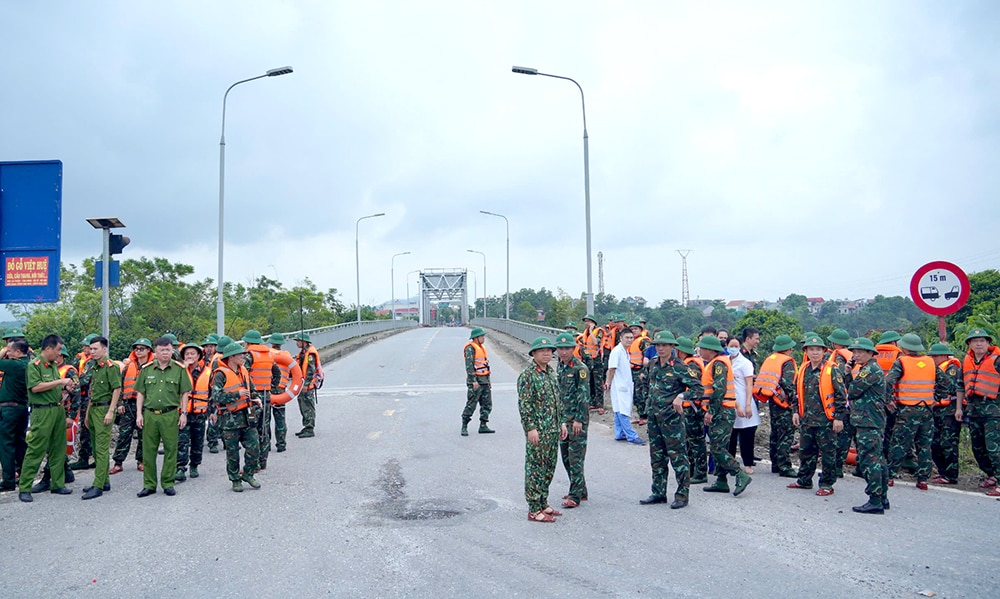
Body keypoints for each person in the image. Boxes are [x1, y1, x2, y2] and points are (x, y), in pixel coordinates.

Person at [640, 330, 702, 509]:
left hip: (672, 419)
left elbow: (699, 389)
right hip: (654, 418)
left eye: (664, 345)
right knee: (657, 457)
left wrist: (682, 395)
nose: (660, 348)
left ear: (672, 347)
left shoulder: (680, 367)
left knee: (678, 457)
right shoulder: (652, 364)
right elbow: (646, 383)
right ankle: (658, 492)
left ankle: (682, 495)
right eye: (658, 345)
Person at [885, 334, 948, 490]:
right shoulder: (930, 362)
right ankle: (923, 480)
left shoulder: (901, 362)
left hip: (907, 409)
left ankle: (890, 476)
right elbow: (946, 383)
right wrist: (936, 399)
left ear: (904, 348)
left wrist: (888, 400)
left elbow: (888, 381)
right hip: (926, 409)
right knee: (924, 445)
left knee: (900, 443)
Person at [18, 335, 77, 502]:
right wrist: (59, 381)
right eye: (58, 350)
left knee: (58, 448)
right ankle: (25, 487)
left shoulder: (52, 366)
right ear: (48, 348)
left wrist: (66, 385)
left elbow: (54, 385)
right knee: (36, 449)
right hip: (42, 412)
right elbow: (35, 387)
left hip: (57, 409)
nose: (59, 354)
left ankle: (57, 484)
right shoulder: (34, 365)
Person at [788, 334, 847, 496]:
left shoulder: (831, 369)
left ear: (823, 352)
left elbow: (841, 395)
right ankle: (804, 480)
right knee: (806, 451)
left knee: (828, 454)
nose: (815, 353)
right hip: (807, 420)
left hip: (826, 421)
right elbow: (796, 394)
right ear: (806, 351)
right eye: (811, 349)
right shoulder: (803, 369)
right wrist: (795, 412)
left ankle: (827, 484)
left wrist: (838, 417)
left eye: (818, 350)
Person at [518, 336, 568, 522]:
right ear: (534, 354)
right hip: (538, 431)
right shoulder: (528, 376)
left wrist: (561, 422)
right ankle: (533, 508)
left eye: (549, 351)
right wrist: (530, 428)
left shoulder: (551, 374)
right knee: (535, 468)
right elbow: (525, 405)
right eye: (542, 351)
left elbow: (557, 402)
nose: (547, 353)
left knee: (548, 467)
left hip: (552, 429)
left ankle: (543, 502)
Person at [134, 337, 192, 497]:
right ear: (155, 352)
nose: (165, 353)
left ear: (172, 351)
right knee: (148, 451)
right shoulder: (146, 370)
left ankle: (167, 483)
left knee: (171, 449)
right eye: (162, 350)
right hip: (150, 414)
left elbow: (185, 393)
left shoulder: (179, 370)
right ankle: (149, 484)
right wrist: (139, 414)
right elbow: (140, 393)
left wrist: (184, 413)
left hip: (170, 414)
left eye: (168, 350)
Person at [698, 335, 752, 496]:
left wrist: (711, 411)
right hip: (722, 410)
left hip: (721, 410)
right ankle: (721, 480)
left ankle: (739, 473)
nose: (699, 350)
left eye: (702, 348)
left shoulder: (719, 363)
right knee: (720, 445)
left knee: (717, 448)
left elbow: (719, 389)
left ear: (710, 350)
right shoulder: (716, 362)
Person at [209, 342, 262, 492]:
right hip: (229, 419)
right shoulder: (220, 374)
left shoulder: (243, 370)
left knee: (254, 447)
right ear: (231, 357)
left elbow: (252, 389)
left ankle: (248, 473)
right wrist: (236, 395)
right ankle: (235, 479)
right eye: (241, 354)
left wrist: (255, 398)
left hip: (247, 416)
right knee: (232, 452)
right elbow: (216, 396)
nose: (244, 356)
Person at [846, 337, 890, 514]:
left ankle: (875, 499)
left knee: (869, 460)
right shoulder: (868, 369)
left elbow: (852, 391)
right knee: (878, 459)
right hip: (870, 420)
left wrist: (847, 374)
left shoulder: (869, 370)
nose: (856, 355)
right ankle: (882, 497)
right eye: (854, 352)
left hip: (868, 421)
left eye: (860, 352)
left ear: (871, 353)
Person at [76, 336, 122, 500]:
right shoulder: (94, 367)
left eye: (96, 349)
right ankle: (104, 480)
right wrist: (87, 413)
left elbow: (117, 389)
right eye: (91, 348)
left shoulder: (111, 367)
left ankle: (98, 485)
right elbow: (92, 392)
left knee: (102, 449)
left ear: (104, 349)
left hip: (104, 409)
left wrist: (111, 411)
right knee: (95, 447)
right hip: (94, 408)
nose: (92, 351)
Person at [957, 328, 1000, 496]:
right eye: (975, 341)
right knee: (978, 447)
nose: (979, 343)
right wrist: (959, 408)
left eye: (982, 340)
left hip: (994, 410)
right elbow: (960, 386)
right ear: (970, 344)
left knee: (994, 447)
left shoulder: (997, 360)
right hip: (974, 410)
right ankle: (991, 474)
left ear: (988, 343)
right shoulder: (966, 361)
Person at [752, 334, 798, 478]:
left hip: (772, 401)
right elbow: (788, 384)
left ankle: (775, 464)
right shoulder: (787, 362)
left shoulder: (770, 359)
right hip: (784, 403)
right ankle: (784, 466)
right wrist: (793, 402)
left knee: (775, 433)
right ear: (788, 348)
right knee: (786, 435)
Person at [554, 332, 589, 509]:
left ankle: (575, 495)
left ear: (573, 349)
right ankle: (580, 489)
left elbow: (583, 396)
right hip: (563, 420)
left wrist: (579, 420)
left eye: (567, 348)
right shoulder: (560, 366)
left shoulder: (579, 368)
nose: (563, 351)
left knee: (576, 458)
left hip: (576, 420)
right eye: (560, 348)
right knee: (566, 457)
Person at [111, 338, 153, 475]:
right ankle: (118, 462)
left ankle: (141, 461)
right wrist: (120, 403)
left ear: (148, 350)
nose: (138, 351)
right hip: (128, 405)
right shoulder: (129, 366)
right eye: (136, 349)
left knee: (144, 435)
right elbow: (120, 385)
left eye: (142, 348)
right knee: (124, 434)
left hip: (146, 405)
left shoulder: (154, 367)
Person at [242, 330, 281, 470]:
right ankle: (263, 461)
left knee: (252, 428)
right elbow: (277, 372)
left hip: (253, 399)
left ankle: (254, 464)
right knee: (264, 428)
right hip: (266, 396)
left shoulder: (249, 356)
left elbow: (243, 374)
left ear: (248, 343)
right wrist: (272, 386)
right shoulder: (269, 355)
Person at [927, 343, 963, 485]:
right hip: (937, 411)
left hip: (949, 411)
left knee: (948, 443)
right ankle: (943, 472)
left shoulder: (952, 368)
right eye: (932, 356)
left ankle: (951, 475)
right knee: (935, 443)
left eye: (936, 356)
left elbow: (949, 385)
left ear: (944, 356)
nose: (933, 359)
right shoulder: (935, 369)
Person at [675, 337, 708, 483]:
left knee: (695, 440)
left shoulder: (692, 365)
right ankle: (693, 470)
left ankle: (700, 472)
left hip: (693, 408)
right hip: (689, 406)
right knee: (689, 440)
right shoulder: (689, 363)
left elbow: (696, 387)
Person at [0, 340, 30, 492]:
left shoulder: (15, 365)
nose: (7, 353)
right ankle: (25, 476)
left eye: (10, 351)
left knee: (6, 445)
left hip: (9, 409)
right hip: (21, 408)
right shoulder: (28, 364)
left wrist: (3, 351)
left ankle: (8, 480)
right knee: (19, 443)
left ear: (18, 352)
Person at [604, 329, 644, 445]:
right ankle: (632, 436)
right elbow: (612, 369)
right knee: (622, 411)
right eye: (627, 337)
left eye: (631, 338)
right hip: (619, 386)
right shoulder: (617, 351)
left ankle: (619, 433)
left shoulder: (625, 351)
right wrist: (608, 382)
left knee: (618, 410)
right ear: (621, 338)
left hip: (624, 384)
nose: (629, 340)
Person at [726, 337, 758, 474]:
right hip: (729, 401)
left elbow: (749, 385)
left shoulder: (745, 363)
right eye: (731, 345)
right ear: (726, 346)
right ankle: (730, 465)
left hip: (745, 400)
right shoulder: (724, 362)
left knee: (747, 435)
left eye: (736, 345)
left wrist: (748, 404)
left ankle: (748, 464)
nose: (733, 348)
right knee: (730, 436)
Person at [69, 333, 98, 471]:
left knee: (87, 430)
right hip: (83, 397)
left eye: (87, 346)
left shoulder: (92, 362)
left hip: (89, 398)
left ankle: (85, 458)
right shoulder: (81, 359)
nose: (85, 349)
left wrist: (71, 384)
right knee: (87, 429)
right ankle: (89, 457)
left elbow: (84, 380)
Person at [176, 343, 206, 482]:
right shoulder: (178, 370)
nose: (190, 356)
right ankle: (181, 468)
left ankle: (194, 465)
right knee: (182, 440)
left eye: (192, 353)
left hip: (200, 412)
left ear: (199, 356)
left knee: (197, 440)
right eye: (187, 354)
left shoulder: (208, 371)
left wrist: (213, 412)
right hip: (183, 412)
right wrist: (184, 369)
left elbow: (212, 393)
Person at [875, 331, 903, 459]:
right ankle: (887, 458)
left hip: (874, 399)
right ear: (894, 342)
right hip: (891, 399)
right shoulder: (898, 355)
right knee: (890, 430)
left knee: (878, 430)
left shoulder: (873, 353)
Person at [461, 328, 493, 436]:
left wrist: (488, 380)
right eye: (482, 336)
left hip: (484, 380)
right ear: (476, 338)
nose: (483, 338)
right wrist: (473, 381)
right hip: (476, 382)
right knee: (471, 404)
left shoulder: (481, 348)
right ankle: (464, 426)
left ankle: (483, 425)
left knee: (487, 404)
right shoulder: (470, 349)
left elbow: (484, 365)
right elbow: (469, 366)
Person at [205, 335, 232, 452]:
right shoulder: (218, 361)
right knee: (214, 415)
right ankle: (212, 442)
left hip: (226, 390)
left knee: (225, 416)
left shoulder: (222, 358)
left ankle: (226, 440)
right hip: (216, 391)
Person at [268, 333, 294, 452]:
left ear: (272, 343)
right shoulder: (287, 355)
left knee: (265, 418)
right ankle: (281, 444)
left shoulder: (268, 354)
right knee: (280, 418)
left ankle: (265, 444)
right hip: (281, 389)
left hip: (268, 388)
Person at [295, 332, 321, 438]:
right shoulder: (303, 352)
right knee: (302, 404)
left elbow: (311, 370)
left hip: (308, 385)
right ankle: (306, 426)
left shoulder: (310, 353)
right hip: (302, 384)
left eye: (298, 341)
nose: (296, 343)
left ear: (304, 341)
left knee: (308, 406)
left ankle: (310, 428)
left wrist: (306, 384)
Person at [579, 315, 605, 413]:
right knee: (590, 382)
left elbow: (595, 342)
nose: (586, 323)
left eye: (588, 321)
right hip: (588, 360)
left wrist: (590, 330)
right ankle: (593, 403)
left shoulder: (598, 331)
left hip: (597, 360)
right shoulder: (584, 333)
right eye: (585, 321)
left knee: (598, 382)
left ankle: (600, 404)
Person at [628, 321, 651, 425]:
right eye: (631, 329)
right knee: (634, 395)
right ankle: (640, 414)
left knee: (641, 394)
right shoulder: (631, 341)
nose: (633, 331)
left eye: (635, 329)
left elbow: (648, 358)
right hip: (632, 371)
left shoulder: (643, 341)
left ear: (640, 330)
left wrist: (644, 372)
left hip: (641, 371)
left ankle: (645, 416)